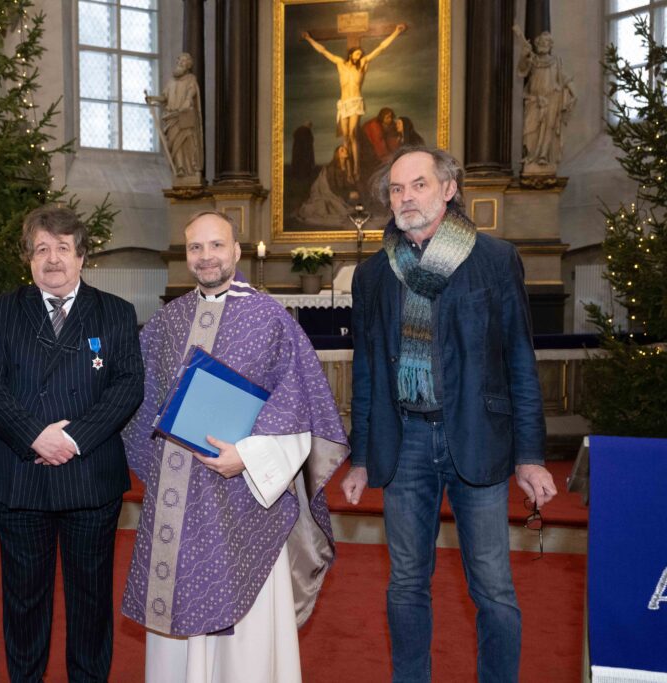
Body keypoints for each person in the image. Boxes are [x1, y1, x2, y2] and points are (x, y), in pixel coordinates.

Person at [341, 147, 558, 682]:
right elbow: (366, 372)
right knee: (406, 585)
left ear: (448, 189)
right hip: (404, 443)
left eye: (418, 185)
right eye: (396, 189)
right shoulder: (373, 275)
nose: (406, 197)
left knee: (493, 589)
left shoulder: (494, 259)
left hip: (477, 436)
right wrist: (361, 457)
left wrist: (531, 456)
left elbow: (519, 361)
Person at [121, 211, 349, 682]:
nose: (206, 257)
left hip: (244, 499)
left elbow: (300, 408)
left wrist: (247, 458)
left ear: (237, 251)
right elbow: (138, 399)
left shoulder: (270, 319)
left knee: (242, 636)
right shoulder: (167, 321)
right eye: (195, 248)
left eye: (216, 245)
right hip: (178, 500)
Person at [0, 205, 144, 683]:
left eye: (62, 248)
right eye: (42, 248)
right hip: (22, 479)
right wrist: (35, 436)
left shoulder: (115, 312)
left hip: (90, 480)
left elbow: (128, 385)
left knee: (91, 601)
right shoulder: (1, 312)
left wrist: (72, 438)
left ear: (81, 256)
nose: (52, 259)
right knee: (24, 603)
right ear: (28, 257)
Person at [301, 23, 407, 180]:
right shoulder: (340, 63)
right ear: (351, 54)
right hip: (344, 104)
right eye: (356, 54)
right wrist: (309, 39)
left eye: (360, 55)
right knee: (346, 138)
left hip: (355, 102)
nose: (358, 56)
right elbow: (323, 51)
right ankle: (348, 169)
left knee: (352, 134)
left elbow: (380, 48)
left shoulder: (362, 65)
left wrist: (396, 32)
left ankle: (356, 168)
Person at [515, 29, 575, 172]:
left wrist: (573, 92)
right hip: (534, 100)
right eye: (541, 42)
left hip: (552, 97)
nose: (543, 44)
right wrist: (523, 55)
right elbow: (522, 70)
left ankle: (543, 156)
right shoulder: (533, 60)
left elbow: (564, 78)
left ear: (550, 45)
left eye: (546, 41)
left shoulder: (556, 61)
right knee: (530, 129)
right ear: (536, 44)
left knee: (549, 128)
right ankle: (531, 156)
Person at [146, 52, 203, 179]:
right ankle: (180, 167)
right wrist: (152, 98)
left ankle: (189, 169)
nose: (180, 63)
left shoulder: (191, 78)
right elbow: (164, 97)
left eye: (183, 61)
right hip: (171, 117)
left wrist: (187, 100)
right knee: (174, 143)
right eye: (179, 61)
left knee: (186, 142)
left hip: (184, 115)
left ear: (188, 65)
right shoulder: (170, 81)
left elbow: (192, 90)